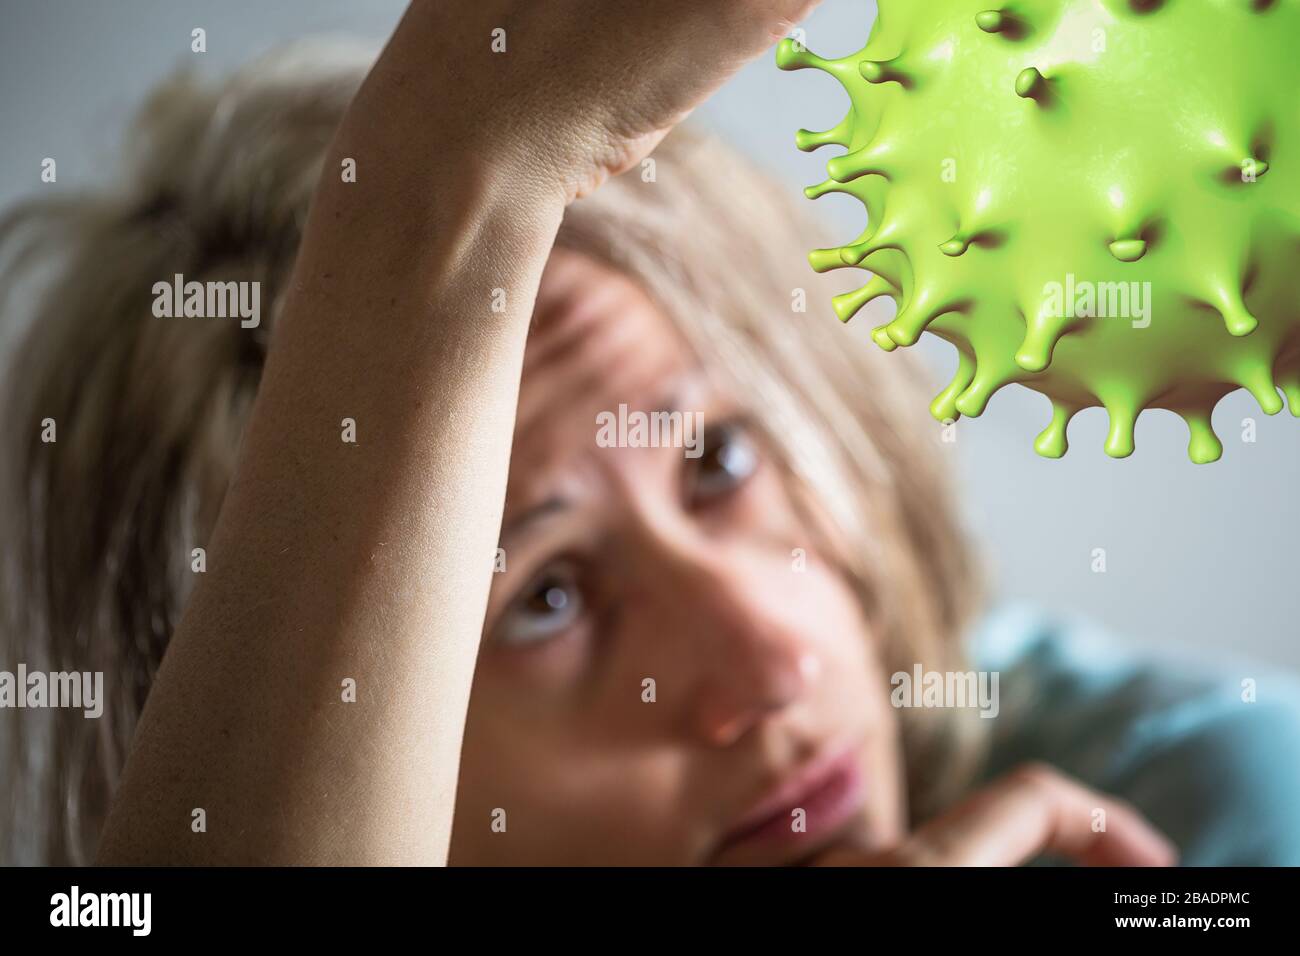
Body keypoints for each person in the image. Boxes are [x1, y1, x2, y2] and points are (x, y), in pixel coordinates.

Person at [1, 1, 1295, 867]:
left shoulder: (1196, 805)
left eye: (719, 463)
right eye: (547, 597)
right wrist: (443, 180)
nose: (766, 664)